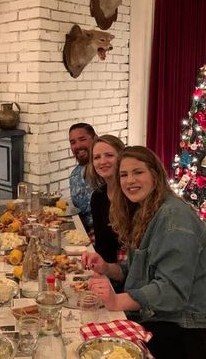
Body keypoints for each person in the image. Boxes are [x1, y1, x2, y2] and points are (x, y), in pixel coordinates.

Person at [82, 146, 206, 359]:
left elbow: (171, 291)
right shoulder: (146, 209)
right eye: (124, 175)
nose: (130, 180)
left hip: (184, 328)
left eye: (138, 172)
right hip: (159, 316)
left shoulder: (175, 218)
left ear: (155, 174)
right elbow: (138, 270)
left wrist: (117, 301)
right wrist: (107, 268)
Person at [87, 135, 125, 263]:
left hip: (127, 275)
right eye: (97, 157)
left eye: (109, 155)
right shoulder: (97, 197)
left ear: (121, 158)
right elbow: (101, 244)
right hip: (104, 271)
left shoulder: (131, 196)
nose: (102, 162)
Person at [69, 122, 97, 233]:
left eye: (82, 139)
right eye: (73, 142)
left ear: (95, 138)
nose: (78, 146)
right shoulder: (74, 176)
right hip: (85, 235)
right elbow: (80, 213)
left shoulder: (105, 170)